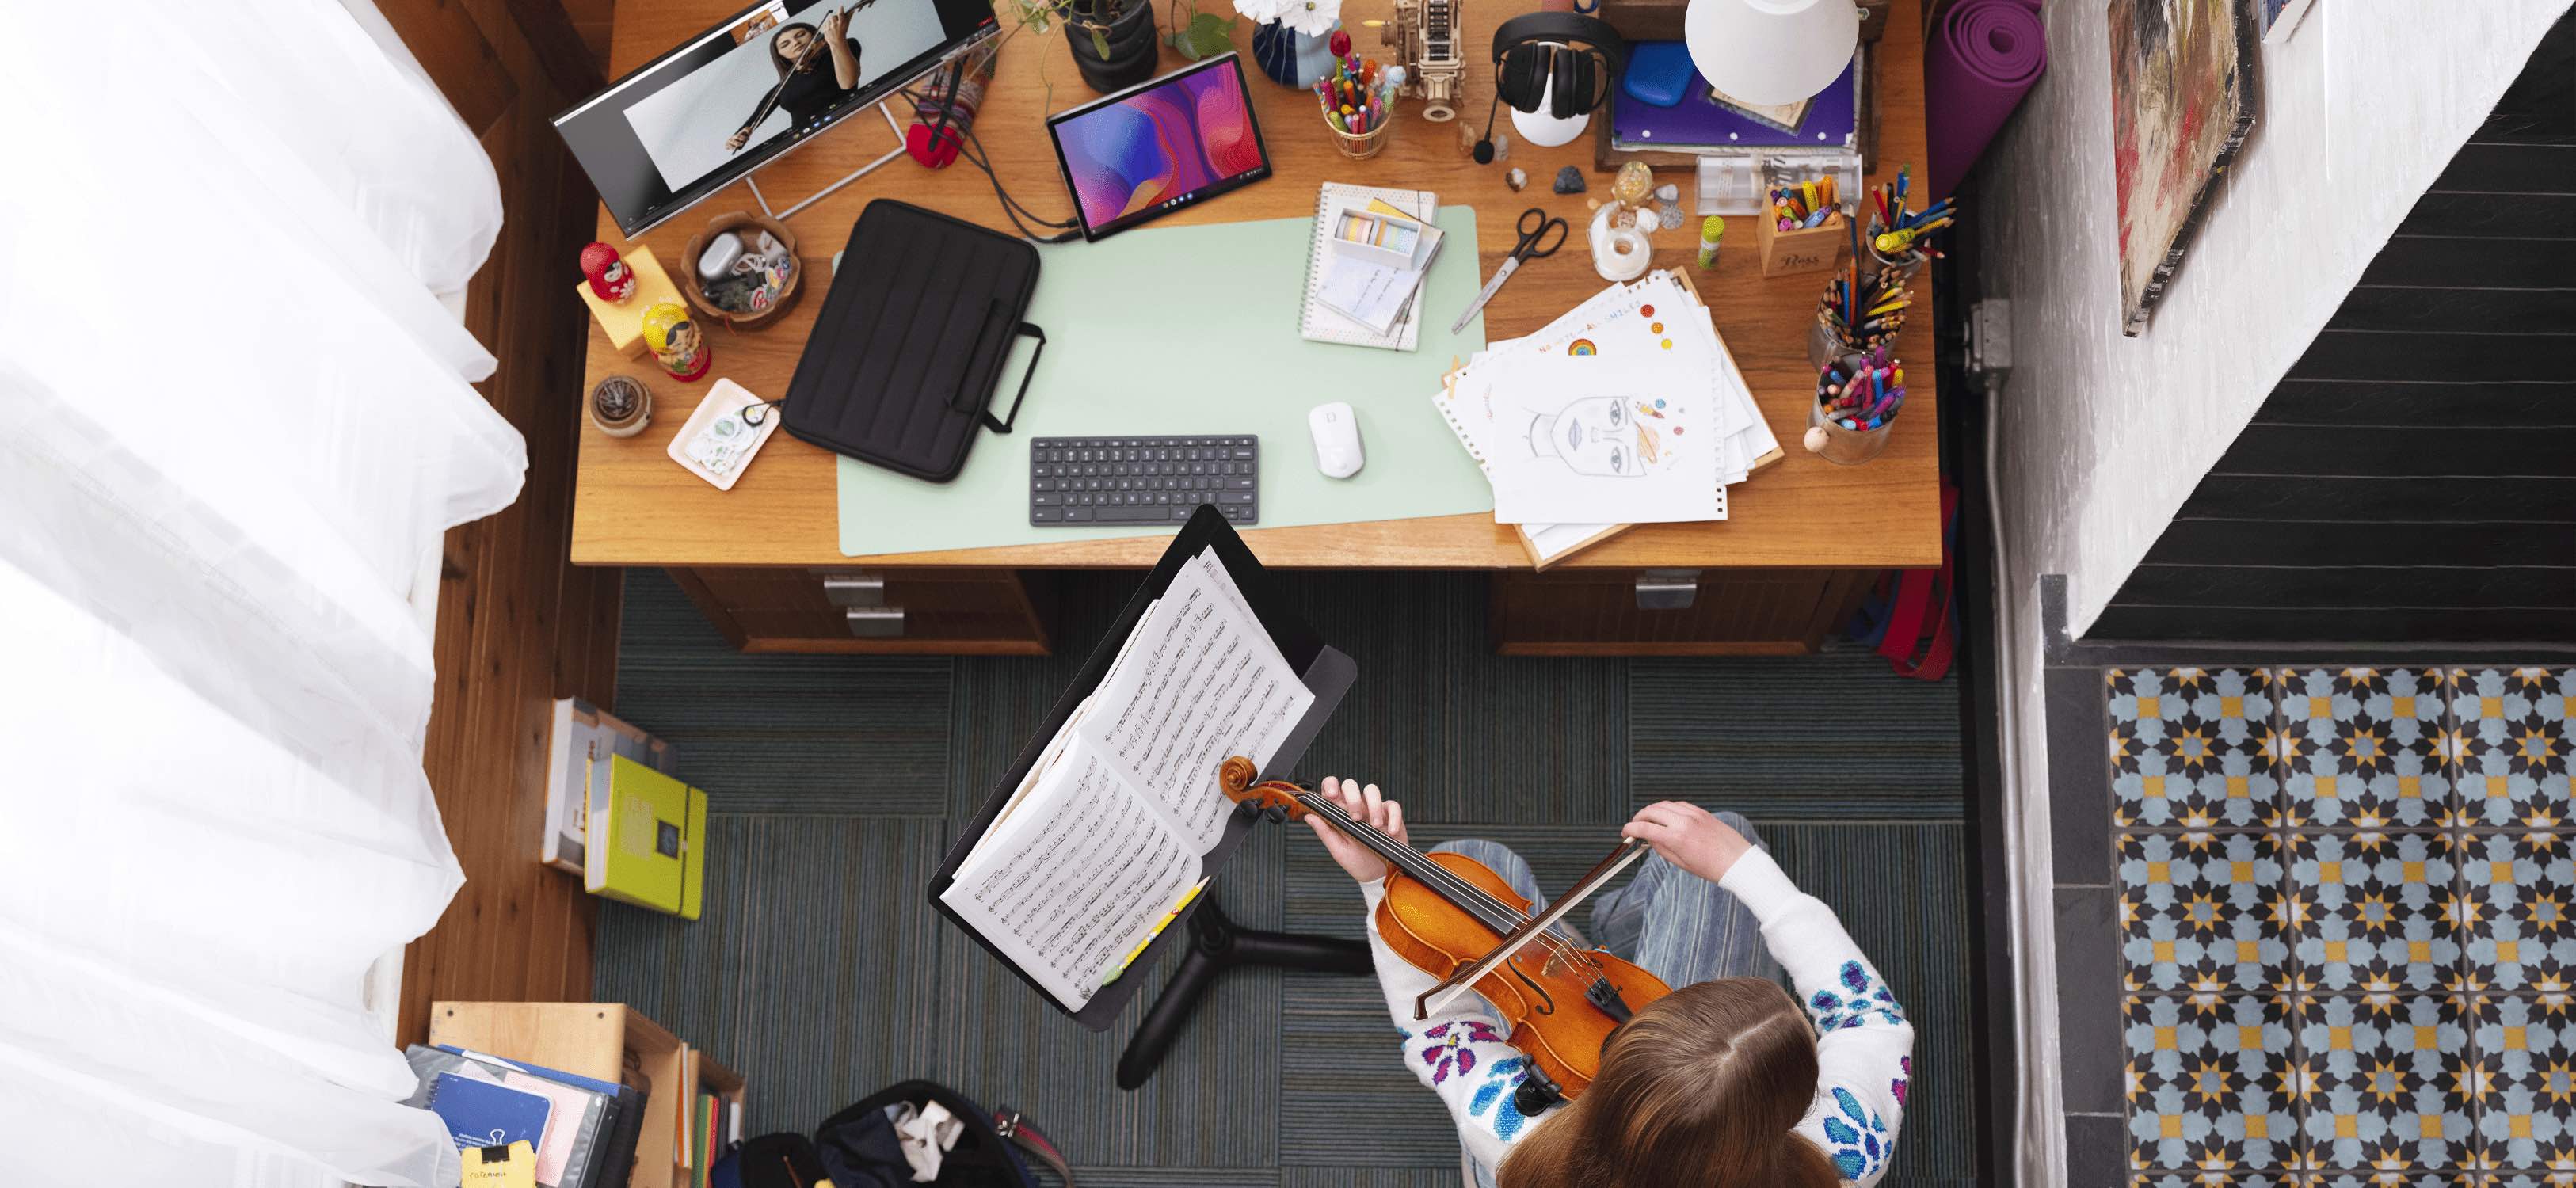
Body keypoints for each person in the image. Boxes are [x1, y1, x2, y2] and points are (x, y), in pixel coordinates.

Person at [1303, 779, 1914, 1187]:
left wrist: (1385, 883)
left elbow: (1440, 1032)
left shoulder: (1519, 1140)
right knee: (1713, 842)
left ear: (1614, 1076)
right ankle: (1621, 934)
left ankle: (1614, 937)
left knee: (1476, 860)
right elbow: (1872, 1022)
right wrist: (1737, 865)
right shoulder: (1846, 1152)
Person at [726, 9, 866, 151]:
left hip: (847, 124)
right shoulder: (784, 86)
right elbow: (751, 123)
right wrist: (735, 139)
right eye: (785, 44)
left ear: (814, 35)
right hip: (807, 143)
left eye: (801, 35)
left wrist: (837, 41)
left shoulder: (845, 47)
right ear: (781, 56)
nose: (795, 42)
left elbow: (848, 83)